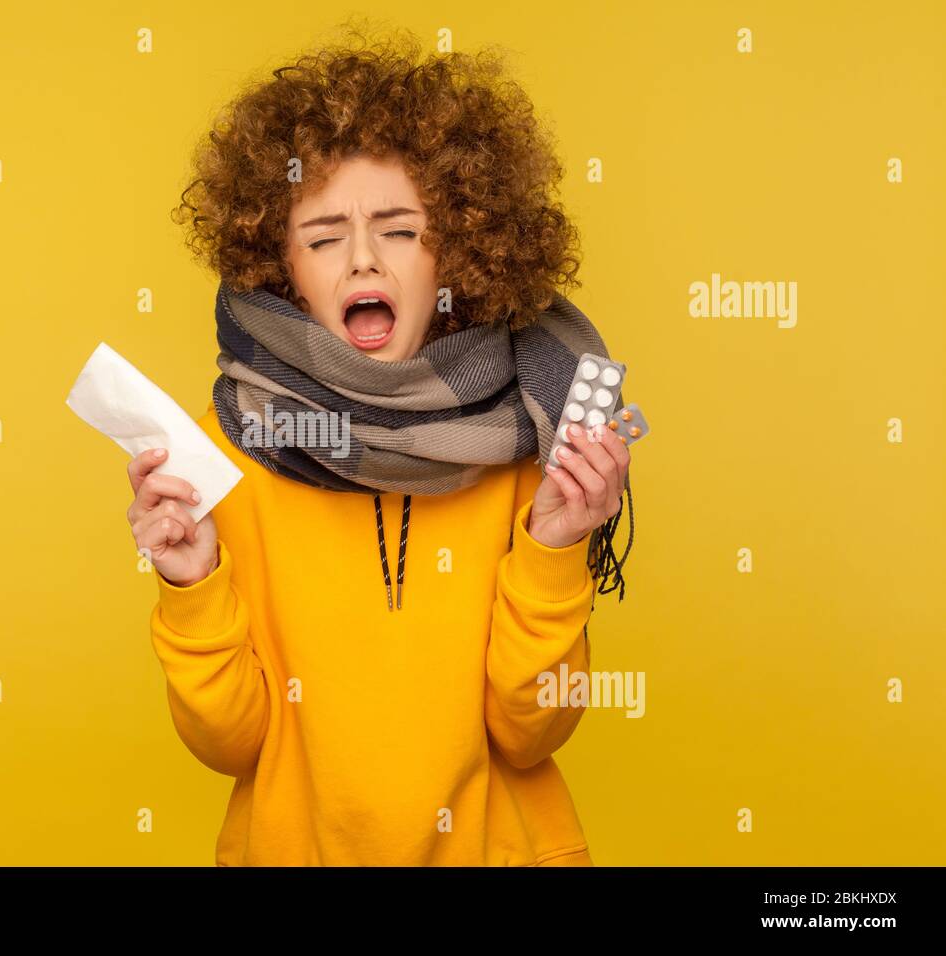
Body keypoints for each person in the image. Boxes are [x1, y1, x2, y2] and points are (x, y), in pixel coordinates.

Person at [126, 27, 633, 866]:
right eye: (323, 237)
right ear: (284, 269)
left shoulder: (529, 436)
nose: (362, 257)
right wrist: (192, 583)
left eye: (399, 231)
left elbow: (531, 731)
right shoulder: (227, 448)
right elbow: (231, 745)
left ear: (458, 253)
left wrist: (555, 544)